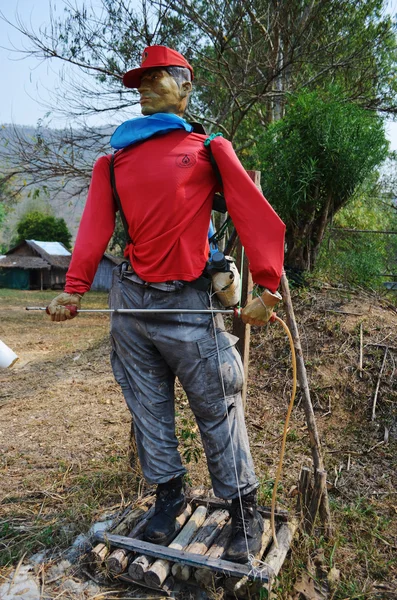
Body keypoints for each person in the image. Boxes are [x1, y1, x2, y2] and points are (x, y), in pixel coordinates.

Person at [48, 45, 286, 564]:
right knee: (147, 406)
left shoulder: (206, 149)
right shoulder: (113, 162)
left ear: (185, 86)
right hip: (132, 303)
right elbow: (94, 226)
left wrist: (267, 289)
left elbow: (254, 212)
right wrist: (74, 287)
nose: (148, 86)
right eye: (141, 80)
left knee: (218, 404)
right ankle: (168, 499)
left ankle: (244, 509)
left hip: (188, 301)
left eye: (161, 77)